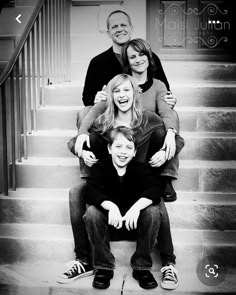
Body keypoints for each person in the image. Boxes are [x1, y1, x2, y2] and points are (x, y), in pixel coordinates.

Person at [58, 74, 181, 290]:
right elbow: (72, 143)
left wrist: (167, 145)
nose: (122, 95)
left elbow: (177, 140)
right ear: (111, 96)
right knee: (76, 192)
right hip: (108, 179)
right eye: (117, 91)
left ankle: (168, 263)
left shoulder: (148, 118)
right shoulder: (104, 121)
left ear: (135, 93)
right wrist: (81, 147)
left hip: (139, 176)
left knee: (154, 198)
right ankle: (84, 260)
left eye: (127, 90)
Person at [75, 38, 182, 201]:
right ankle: (94, 173)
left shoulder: (158, 85)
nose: (138, 59)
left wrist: (169, 135)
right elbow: (98, 109)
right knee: (86, 116)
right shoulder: (121, 83)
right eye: (133, 57)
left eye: (142, 55)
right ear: (127, 62)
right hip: (119, 135)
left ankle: (165, 177)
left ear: (149, 57)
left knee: (169, 123)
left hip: (145, 134)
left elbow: (166, 111)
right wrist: (82, 134)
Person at [83, 126, 162, 290]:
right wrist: (111, 207)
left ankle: (141, 268)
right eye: (118, 146)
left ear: (134, 152)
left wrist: (136, 208)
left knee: (153, 211)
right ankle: (104, 267)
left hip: (135, 225)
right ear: (109, 149)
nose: (123, 152)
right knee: (91, 213)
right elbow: (91, 191)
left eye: (129, 147)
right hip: (109, 225)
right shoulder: (100, 168)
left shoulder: (140, 168)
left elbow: (155, 189)